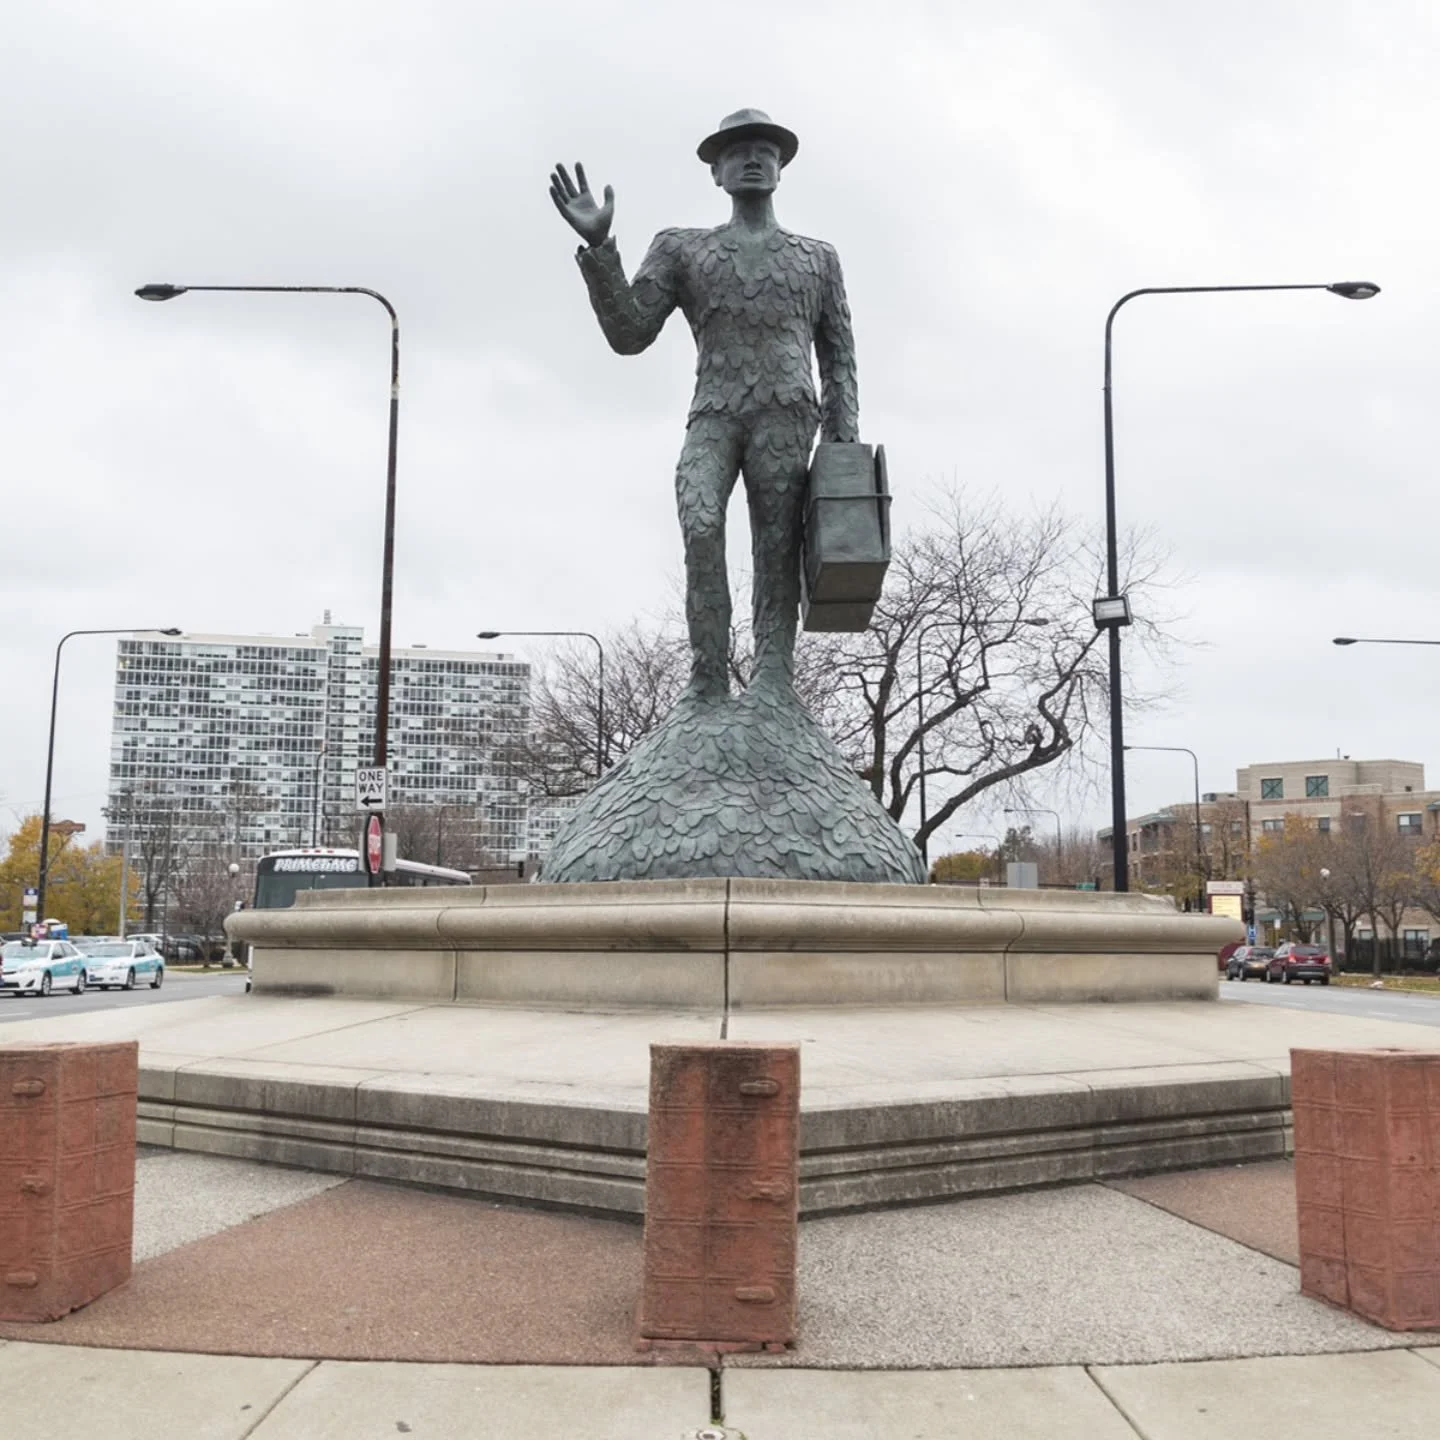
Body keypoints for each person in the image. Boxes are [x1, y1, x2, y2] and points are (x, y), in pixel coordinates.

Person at [550, 108, 859, 700]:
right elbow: (630, 333)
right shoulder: (684, 249)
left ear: (780, 169)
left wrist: (842, 439)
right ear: (715, 173)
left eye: (765, 151)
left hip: (788, 416)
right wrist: (600, 248)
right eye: (736, 151)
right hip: (715, 413)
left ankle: (773, 678)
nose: (752, 159)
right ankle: (707, 680)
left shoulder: (817, 258)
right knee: (699, 521)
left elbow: (839, 353)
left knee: (776, 545)